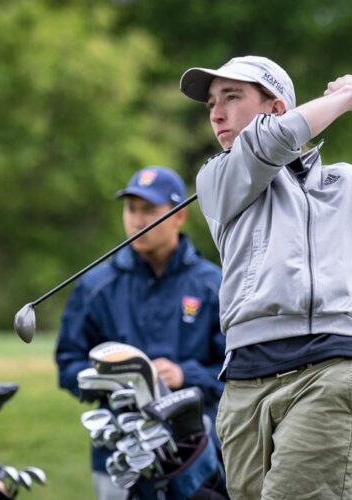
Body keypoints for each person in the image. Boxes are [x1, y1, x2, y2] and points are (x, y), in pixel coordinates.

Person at [179, 54, 352, 499]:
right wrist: (345, 97)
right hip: (243, 382)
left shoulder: (346, 184)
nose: (217, 113)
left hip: (325, 366)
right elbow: (274, 142)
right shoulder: (217, 177)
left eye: (231, 97)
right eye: (210, 104)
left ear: (276, 106)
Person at [55, 166, 225, 500]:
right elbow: (68, 364)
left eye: (150, 210)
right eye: (131, 209)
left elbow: (239, 371)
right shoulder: (95, 286)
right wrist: (120, 377)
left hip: (198, 450)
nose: (137, 220)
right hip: (118, 455)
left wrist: (183, 374)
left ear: (179, 216)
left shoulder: (214, 284)